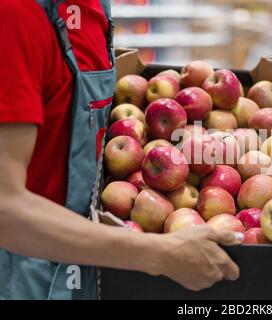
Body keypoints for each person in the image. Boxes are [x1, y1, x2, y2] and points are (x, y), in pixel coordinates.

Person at [0, 0, 242, 300]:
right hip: (27, 276)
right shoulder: (15, 14)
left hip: (93, 261)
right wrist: (157, 253)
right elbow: (5, 209)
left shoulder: (96, 7)